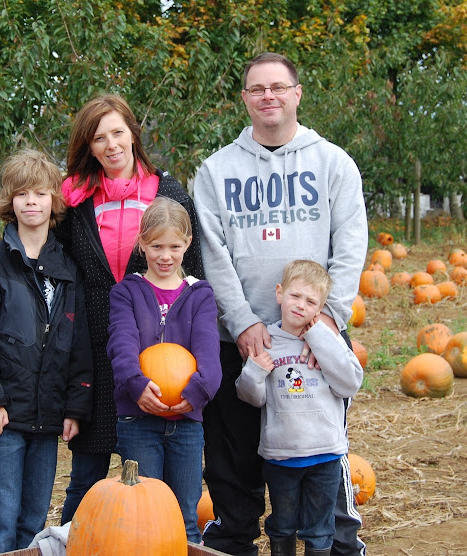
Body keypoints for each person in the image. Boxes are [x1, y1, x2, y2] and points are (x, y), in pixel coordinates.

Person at [193, 52, 369, 556]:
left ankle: (338, 541)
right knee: (234, 453)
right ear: (245, 99)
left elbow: (350, 243)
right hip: (243, 338)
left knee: (320, 446)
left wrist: (327, 320)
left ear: (296, 93)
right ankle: (235, 539)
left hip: (315, 338)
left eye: (277, 87)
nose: (268, 96)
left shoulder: (333, 163)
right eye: (257, 89)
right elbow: (212, 253)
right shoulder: (216, 171)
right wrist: (242, 321)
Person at [55, 94, 204, 524]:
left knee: (155, 486)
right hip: (95, 352)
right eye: (99, 138)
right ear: (88, 146)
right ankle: (76, 543)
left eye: (118, 132)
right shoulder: (75, 202)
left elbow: (192, 273)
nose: (111, 145)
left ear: (133, 134)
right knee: (86, 475)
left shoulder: (167, 193)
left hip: (157, 356)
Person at [0, 149, 93, 555]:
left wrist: (75, 407)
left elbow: (79, 343)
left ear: (54, 200)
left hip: (48, 417)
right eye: (21, 194)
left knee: (33, 522)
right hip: (2, 418)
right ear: (9, 201)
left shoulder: (68, 269)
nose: (31, 202)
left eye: (39, 193)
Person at [106, 197, 222, 542]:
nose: (165, 255)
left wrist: (197, 392)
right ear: (142, 243)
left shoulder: (199, 295)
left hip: (186, 423)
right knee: (144, 516)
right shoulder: (126, 292)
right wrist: (135, 383)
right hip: (138, 420)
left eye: (174, 246)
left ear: (188, 243)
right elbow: (121, 342)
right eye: (156, 246)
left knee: (185, 516)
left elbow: (208, 352)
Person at [235, 260, 364, 556]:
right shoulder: (267, 342)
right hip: (282, 456)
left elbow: (349, 384)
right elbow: (252, 398)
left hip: (324, 454)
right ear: (279, 293)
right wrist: (254, 371)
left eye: (310, 301)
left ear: (320, 309)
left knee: (320, 529)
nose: (300, 305)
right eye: (295, 296)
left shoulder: (329, 341)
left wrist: (318, 338)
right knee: (282, 525)